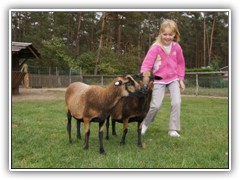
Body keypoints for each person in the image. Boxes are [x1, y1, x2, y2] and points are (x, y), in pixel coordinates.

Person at [141, 19, 185, 137]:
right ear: (161, 33)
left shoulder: (177, 47)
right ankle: (145, 124)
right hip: (159, 79)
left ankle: (172, 129)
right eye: (165, 34)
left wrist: (181, 79)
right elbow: (146, 64)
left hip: (173, 79)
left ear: (175, 34)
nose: (167, 37)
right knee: (155, 105)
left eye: (170, 34)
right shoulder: (156, 48)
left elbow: (181, 64)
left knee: (176, 102)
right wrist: (145, 76)